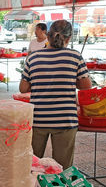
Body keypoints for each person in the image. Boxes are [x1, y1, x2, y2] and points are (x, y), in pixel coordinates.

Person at [19, 20, 92, 169]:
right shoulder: (75, 56)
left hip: (38, 119)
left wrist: (39, 80)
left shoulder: (33, 57)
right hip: (65, 119)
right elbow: (86, 86)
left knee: (32, 165)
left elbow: (23, 88)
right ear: (69, 38)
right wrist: (69, 79)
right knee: (63, 168)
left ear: (48, 35)